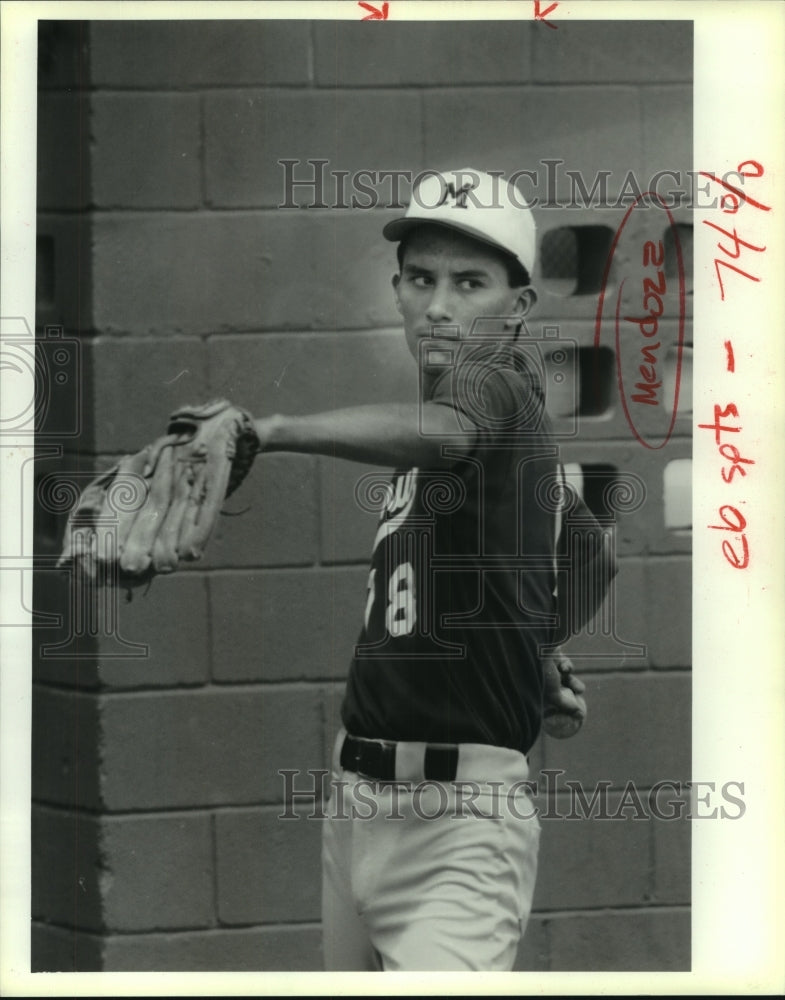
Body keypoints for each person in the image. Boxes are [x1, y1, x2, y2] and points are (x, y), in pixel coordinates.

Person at [252, 168, 587, 971]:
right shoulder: (476, 423)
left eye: (470, 283)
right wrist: (532, 645)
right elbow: (588, 546)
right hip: (358, 801)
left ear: (518, 307)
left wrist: (274, 429)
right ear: (397, 289)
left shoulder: (488, 385)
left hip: (457, 827)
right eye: (420, 279)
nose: (438, 305)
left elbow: (446, 432)